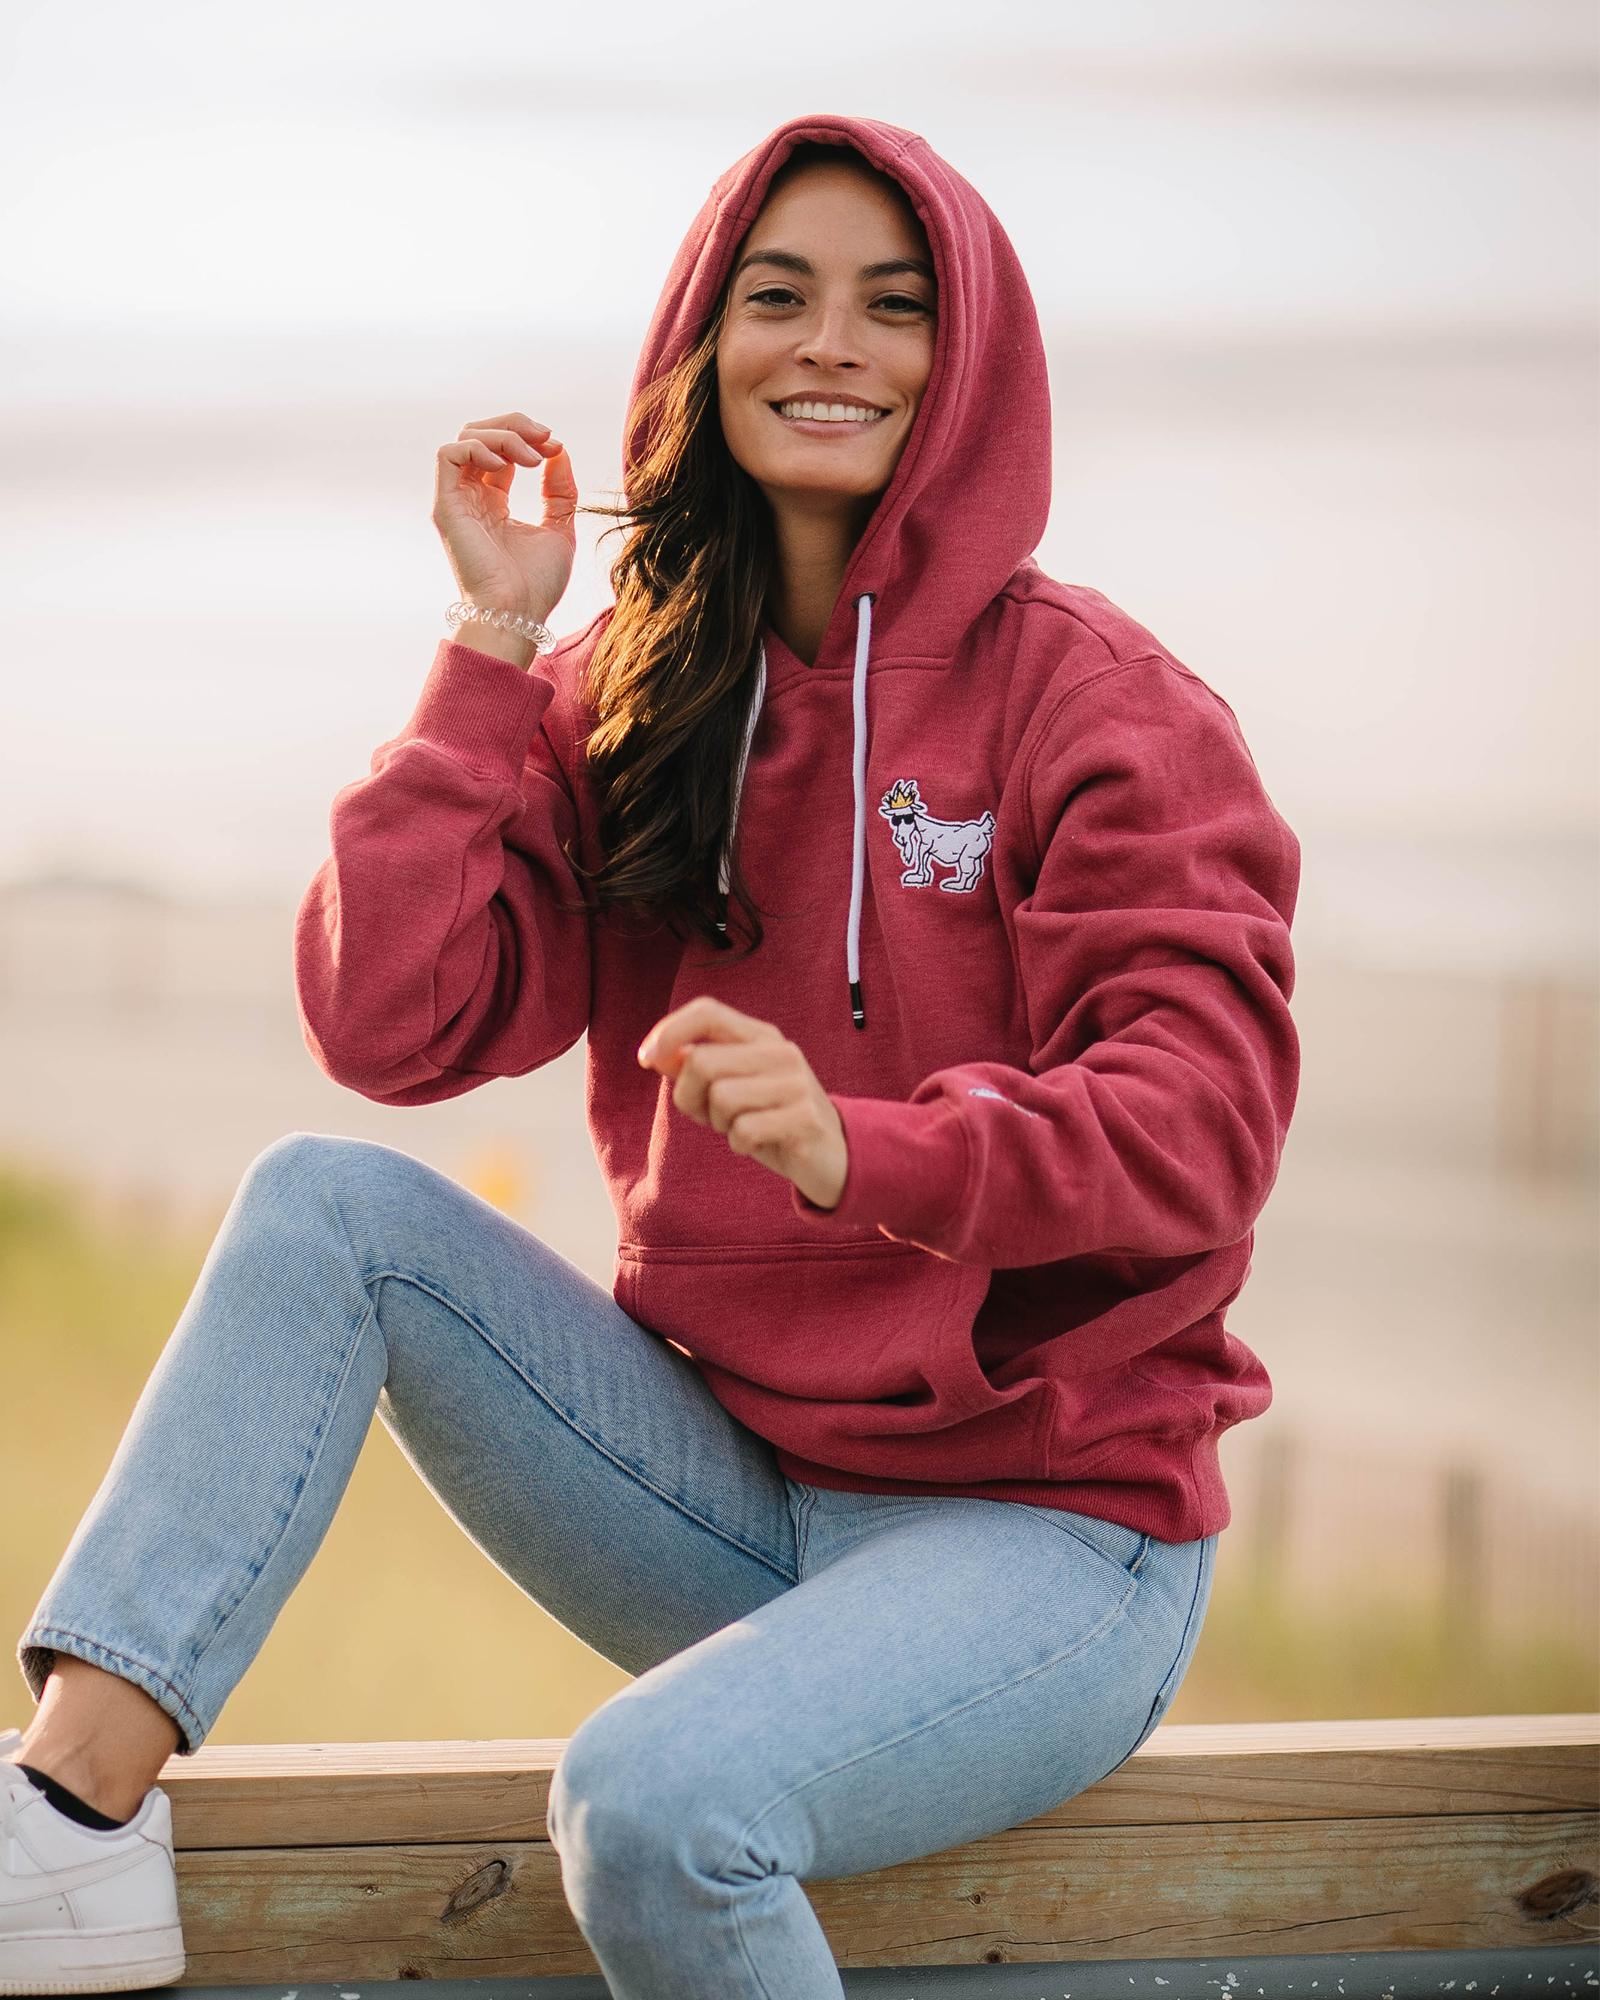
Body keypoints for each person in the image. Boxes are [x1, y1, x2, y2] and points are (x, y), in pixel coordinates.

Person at [2, 111, 1300, 1997]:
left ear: (974, 361)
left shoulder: (1092, 703)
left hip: (1050, 1542)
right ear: (705, 346)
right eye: (779, 298)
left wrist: (876, 1150)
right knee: (325, 1211)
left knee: (653, 1804)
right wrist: (488, 641)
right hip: (733, 1489)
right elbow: (395, 1026)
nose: (833, 346)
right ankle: (62, 1834)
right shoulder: (637, 685)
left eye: (895, 306)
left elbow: (1203, 1127)